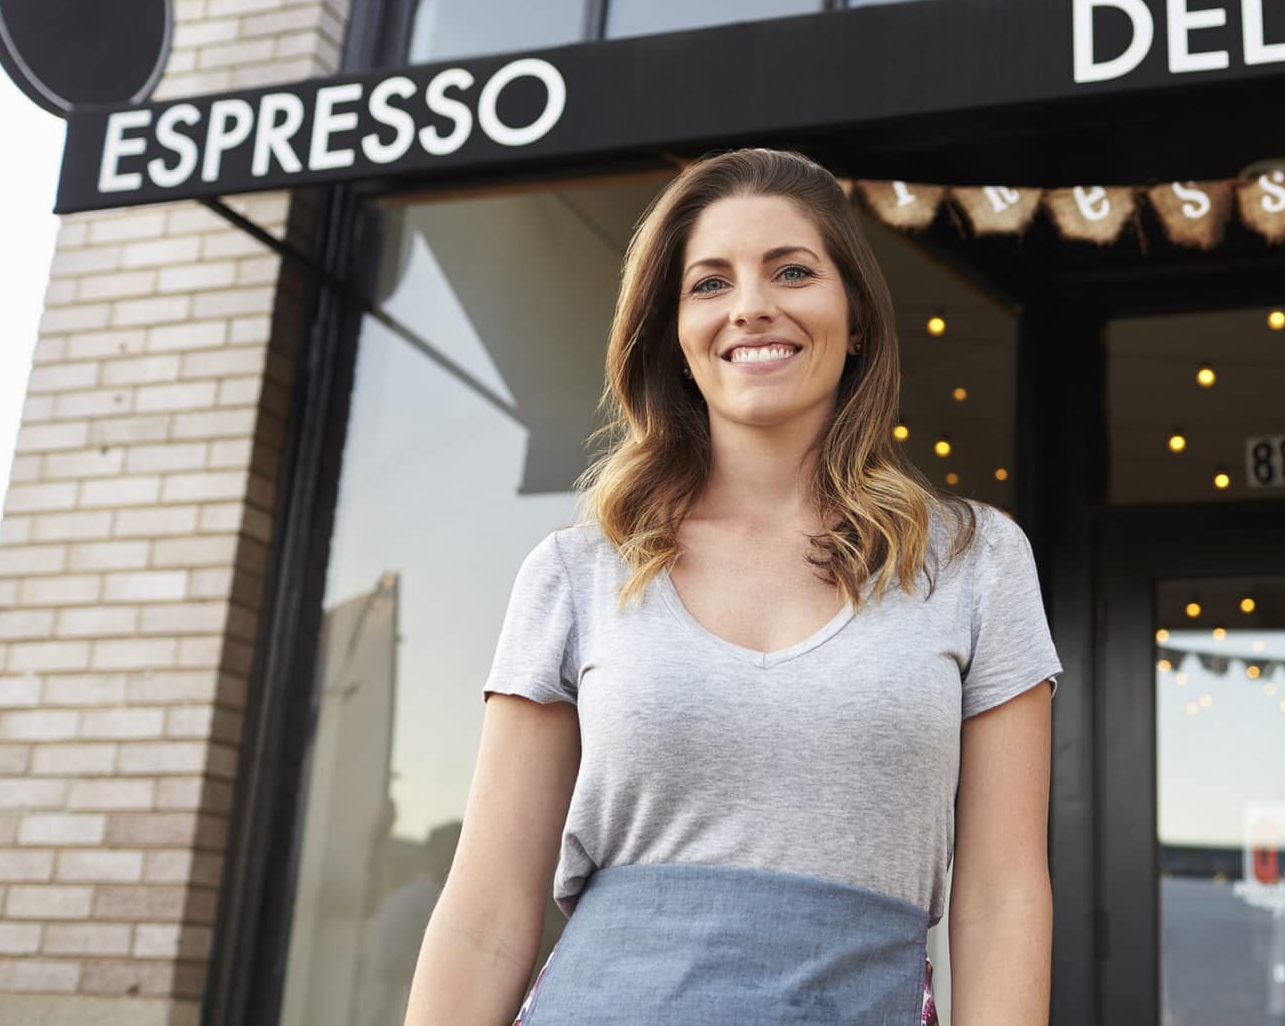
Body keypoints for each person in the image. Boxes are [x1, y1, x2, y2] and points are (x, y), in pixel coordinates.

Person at [402, 148, 1065, 1025]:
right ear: (673, 333)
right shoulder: (577, 571)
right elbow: (486, 910)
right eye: (708, 284)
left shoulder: (977, 563)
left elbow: (1002, 895)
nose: (752, 305)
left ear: (856, 317)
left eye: (792, 271)